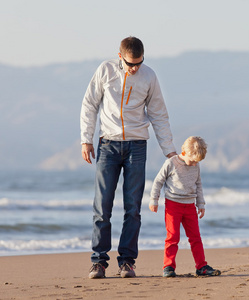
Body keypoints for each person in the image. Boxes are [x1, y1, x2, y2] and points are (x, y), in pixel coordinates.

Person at [80, 36, 177, 279]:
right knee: (102, 206)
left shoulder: (149, 76)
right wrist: (86, 139)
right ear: (120, 56)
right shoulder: (105, 70)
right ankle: (99, 262)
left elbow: (158, 113)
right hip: (108, 145)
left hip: (136, 146)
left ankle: (127, 261)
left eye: (139, 63)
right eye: (131, 64)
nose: (135, 68)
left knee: (133, 208)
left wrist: (169, 150)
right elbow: (90, 104)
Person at [149, 136, 221, 277]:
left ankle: (201, 266)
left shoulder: (196, 166)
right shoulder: (171, 163)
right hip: (173, 205)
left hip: (190, 206)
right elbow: (158, 181)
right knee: (173, 236)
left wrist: (201, 203)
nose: (194, 164)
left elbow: (198, 184)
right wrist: (154, 200)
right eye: (192, 161)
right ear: (184, 152)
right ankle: (168, 266)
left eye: (197, 162)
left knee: (195, 237)